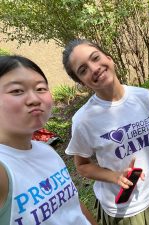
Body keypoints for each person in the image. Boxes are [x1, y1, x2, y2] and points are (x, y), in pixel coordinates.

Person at [62, 39, 149, 225]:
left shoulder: (144, 97)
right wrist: (114, 176)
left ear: (109, 59)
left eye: (95, 58)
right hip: (122, 208)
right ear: (82, 82)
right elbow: (82, 166)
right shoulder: (83, 120)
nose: (94, 68)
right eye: (83, 70)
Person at [0, 55, 97, 225]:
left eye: (40, 88)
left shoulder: (46, 150)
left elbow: (72, 205)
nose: (34, 99)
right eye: (17, 91)